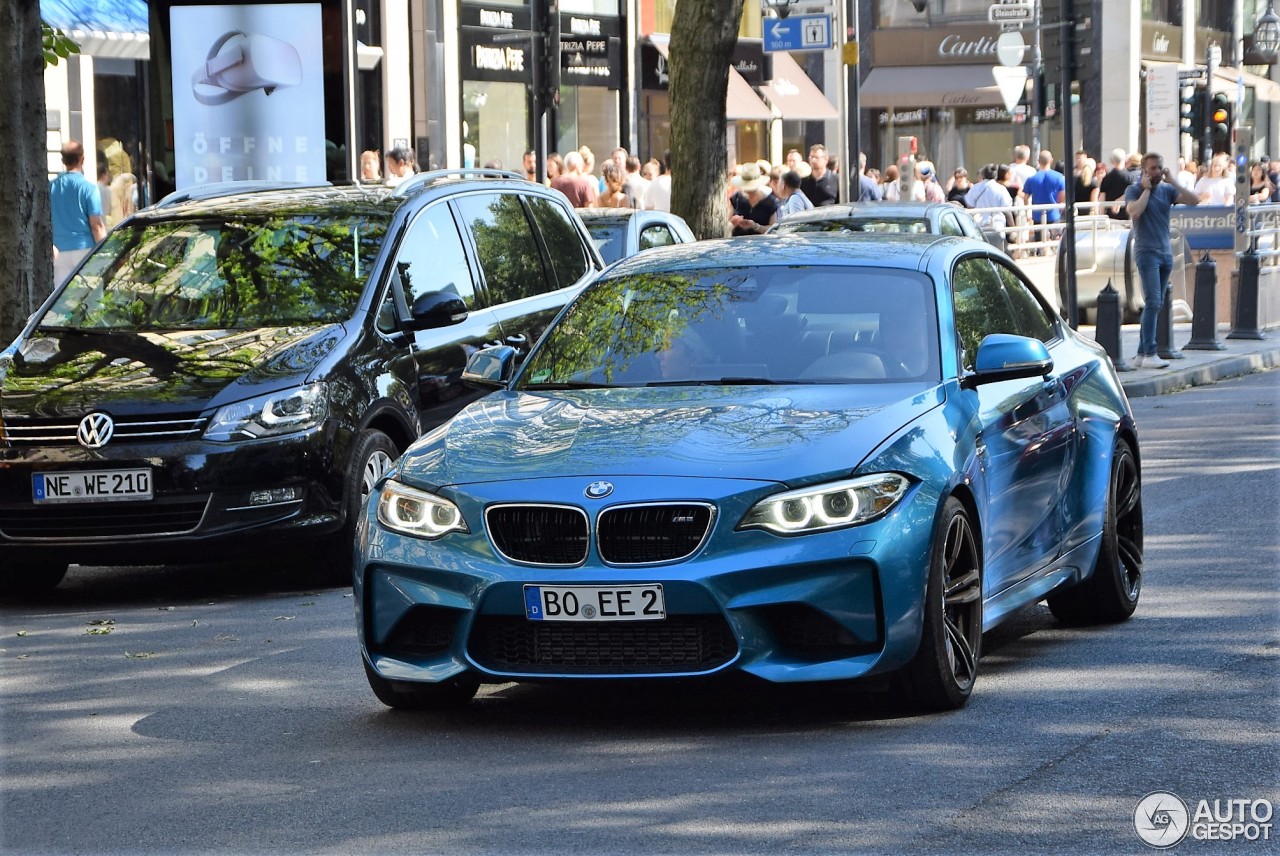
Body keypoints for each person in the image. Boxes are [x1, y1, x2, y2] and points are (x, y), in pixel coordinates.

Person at [1124, 152, 1199, 369]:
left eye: (1159, 168)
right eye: (1152, 169)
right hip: (1146, 252)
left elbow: (1193, 201)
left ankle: (1140, 353)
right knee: (1153, 301)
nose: (1157, 172)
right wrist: (1146, 189)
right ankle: (1150, 352)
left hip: (1165, 252)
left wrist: (1172, 180)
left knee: (1156, 304)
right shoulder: (1135, 190)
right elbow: (1134, 212)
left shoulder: (1166, 190)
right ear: (1144, 171)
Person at [50, 140, 106, 286]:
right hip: (85, 250)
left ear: (63, 160)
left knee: (61, 301)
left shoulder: (51, 187)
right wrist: (105, 250)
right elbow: (97, 226)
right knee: (90, 299)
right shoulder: (89, 188)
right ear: (82, 158)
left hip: (59, 252)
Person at [1020, 150, 1066, 249]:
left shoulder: (1032, 179)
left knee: (1039, 242)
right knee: (1055, 243)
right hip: (1054, 214)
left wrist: (1027, 212)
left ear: (1038, 161)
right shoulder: (1059, 177)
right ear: (1051, 160)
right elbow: (1062, 196)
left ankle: (1040, 253)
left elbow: (1026, 198)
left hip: (1037, 215)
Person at [728, 162, 780, 235]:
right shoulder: (736, 198)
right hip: (738, 243)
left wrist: (755, 226)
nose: (748, 190)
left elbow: (773, 229)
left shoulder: (770, 202)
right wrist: (733, 223)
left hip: (761, 243)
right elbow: (727, 225)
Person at [1099, 148, 1133, 219]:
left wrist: (1101, 215)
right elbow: (1133, 192)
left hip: (1110, 215)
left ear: (1112, 160)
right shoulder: (1130, 176)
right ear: (1125, 159)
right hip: (1126, 215)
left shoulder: (1107, 176)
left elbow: (1102, 196)